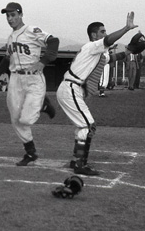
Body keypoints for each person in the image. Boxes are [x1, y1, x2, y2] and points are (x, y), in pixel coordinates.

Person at [56, 14, 138, 176]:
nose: (105, 34)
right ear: (94, 35)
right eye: (102, 31)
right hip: (71, 88)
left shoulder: (97, 52)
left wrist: (128, 52)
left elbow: (110, 58)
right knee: (88, 126)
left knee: (84, 126)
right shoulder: (91, 46)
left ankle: (76, 159)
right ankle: (80, 163)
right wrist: (126, 28)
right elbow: (109, 41)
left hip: (73, 89)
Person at [0, 2, 59, 166]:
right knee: (16, 119)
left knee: (26, 119)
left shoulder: (32, 30)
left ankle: (44, 105)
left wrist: (44, 61)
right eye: (7, 16)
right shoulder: (10, 38)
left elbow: (54, 41)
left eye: (13, 15)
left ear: (20, 15)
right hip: (15, 80)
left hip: (33, 79)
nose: (10, 19)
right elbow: (6, 60)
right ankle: (30, 152)